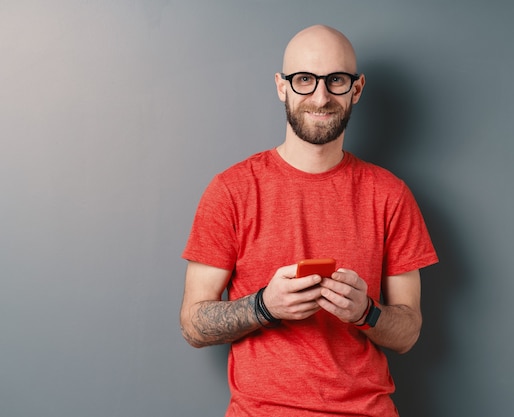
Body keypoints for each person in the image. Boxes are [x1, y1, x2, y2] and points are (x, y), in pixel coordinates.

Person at [179, 24, 438, 417]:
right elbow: (193, 324)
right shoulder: (231, 190)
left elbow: (408, 333)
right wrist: (264, 306)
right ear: (282, 87)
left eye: (336, 80)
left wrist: (365, 312)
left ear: (357, 88)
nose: (320, 96)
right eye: (305, 80)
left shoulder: (390, 194)